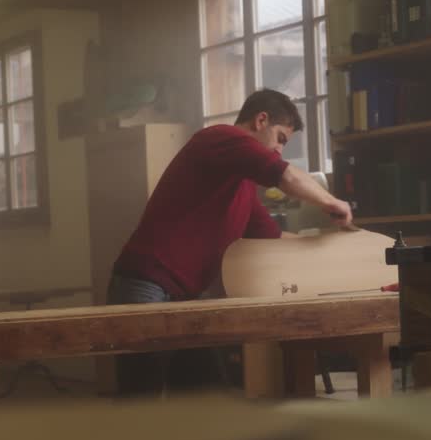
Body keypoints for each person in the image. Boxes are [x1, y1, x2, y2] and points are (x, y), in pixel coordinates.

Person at [106, 89, 353, 393]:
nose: (278, 151)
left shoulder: (241, 185)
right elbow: (286, 176)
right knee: (141, 399)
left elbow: (272, 237)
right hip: (146, 285)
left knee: (207, 396)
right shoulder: (220, 137)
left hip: (182, 296)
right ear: (261, 120)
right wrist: (332, 203)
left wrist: (325, 245)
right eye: (280, 138)